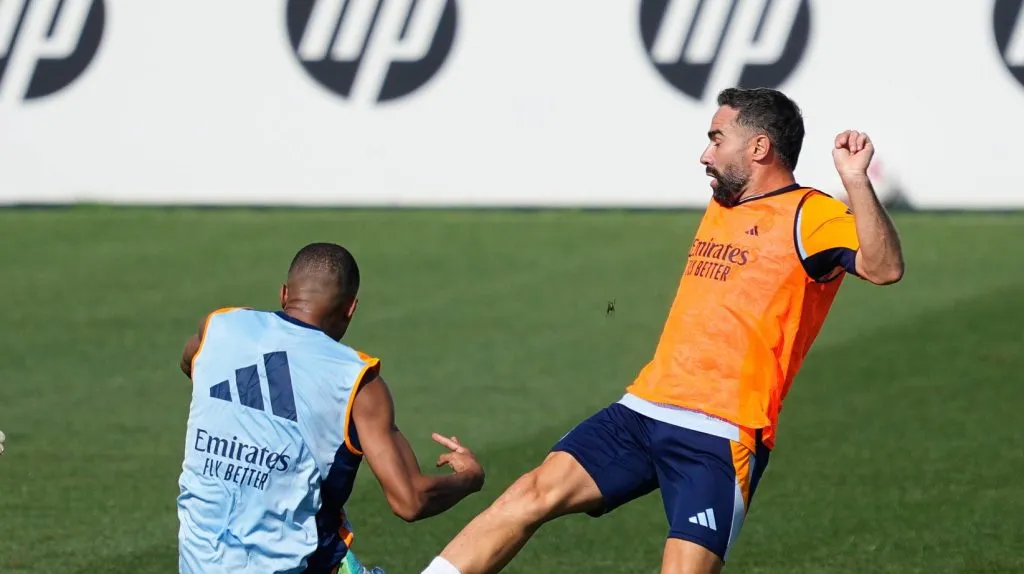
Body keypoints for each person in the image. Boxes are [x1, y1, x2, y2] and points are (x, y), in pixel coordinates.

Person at [419, 87, 905, 574]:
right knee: (529, 494)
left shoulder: (810, 214)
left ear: (759, 148)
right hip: (644, 407)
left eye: (717, 139)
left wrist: (855, 182)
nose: (704, 154)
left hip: (719, 433)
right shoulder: (725, 203)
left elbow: (884, 269)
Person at [177, 242, 485, 574]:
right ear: (350, 308)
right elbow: (410, 500)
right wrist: (468, 478)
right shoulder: (357, 382)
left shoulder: (220, 327)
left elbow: (191, 361)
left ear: (284, 294)